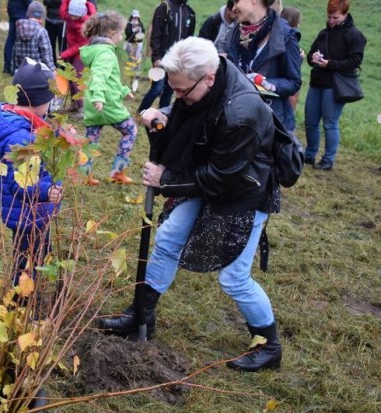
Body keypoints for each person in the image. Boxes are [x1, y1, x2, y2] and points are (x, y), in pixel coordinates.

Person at [99, 37, 283, 372]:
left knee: (234, 278)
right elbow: (192, 110)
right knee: (168, 238)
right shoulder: (208, 79)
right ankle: (141, 315)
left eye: (182, 91)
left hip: (243, 190)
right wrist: (165, 111)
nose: (178, 96)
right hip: (209, 173)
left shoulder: (241, 113)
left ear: (208, 78)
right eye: (173, 88)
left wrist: (165, 180)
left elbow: (222, 177)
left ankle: (268, 345)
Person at [0, 58, 63, 288]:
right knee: (26, 262)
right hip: (27, 213)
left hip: (32, 211)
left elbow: (43, 134)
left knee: (39, 251)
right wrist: (48, 191)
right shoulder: (21, 138)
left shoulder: (22, 123)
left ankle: (33, 288)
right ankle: (19, 305)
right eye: (49, 101)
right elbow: (20, 184)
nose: (50, 107)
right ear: (38, 101)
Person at [304, 0, 366, 170]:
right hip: (317, 82)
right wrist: (314, 59)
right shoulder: (324, 33)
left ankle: (328, 160)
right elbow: (310, 55)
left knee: (330, 123)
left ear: (345, 14)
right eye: (329, 17)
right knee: (310, 121)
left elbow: (355, 61)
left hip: (336, 85)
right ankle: (309, 155)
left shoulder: (354, 35)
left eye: (335, 17)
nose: (331, 20)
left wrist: (329, 64)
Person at [224, 0, 302, 132]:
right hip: (236, 118)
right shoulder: (235, 33)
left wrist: (266, 84)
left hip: (269, 123)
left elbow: (294, 82)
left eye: (237, 1)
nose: (234, 7)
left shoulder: (285, 35)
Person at [80, 11, 138, 185]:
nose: (122, 36)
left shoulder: (96, 51)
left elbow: (109, 80)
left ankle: (85, 176)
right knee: (130, 131)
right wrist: (100, 97)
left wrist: (123, 89)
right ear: (112, 34)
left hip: (92, 104)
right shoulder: (106, 53)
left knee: (91, 141)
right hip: (106, 105)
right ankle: (118, 172)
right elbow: (99, 76)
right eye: (121, 33)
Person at [137, 0, 196, 113]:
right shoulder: (165, 7)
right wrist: (156, 57)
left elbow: (189, 40)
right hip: (161, 58)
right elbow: (155, 34)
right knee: (157, 89)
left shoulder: (190, 12)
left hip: (177, 62)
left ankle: (162, 114)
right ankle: (141, 113)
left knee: (169, 90)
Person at [58, 0, 97, 115]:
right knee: (70, 77)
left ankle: (83, 108)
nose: (72, 17)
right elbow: (63, 13)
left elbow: (80, 45)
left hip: (81, 53)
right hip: (71, 50)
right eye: (71, 14)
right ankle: (74, 103)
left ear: (81, 13)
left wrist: (64, 54)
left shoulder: (85, 25)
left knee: (78, 79)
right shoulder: (70, 16)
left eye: (75, 16)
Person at [14, 2, 56, 72]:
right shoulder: (42, 31)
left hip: (22, 69)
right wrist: (52, 69)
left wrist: (18, 67)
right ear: (41, 17)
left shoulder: (20, 29)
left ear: (28, 14)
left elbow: (16, 51)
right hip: (38, 72)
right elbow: (46, 55)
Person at [280, 6, 303, 111]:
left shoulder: (276, 33)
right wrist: (300, 57)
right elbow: (292, 67)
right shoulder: (291, 38)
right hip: (286, 83)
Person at [4, 0, 33, 75]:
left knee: (11, 38)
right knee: (19, 41)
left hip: (12, 8)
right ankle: (15, 68)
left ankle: (7, 67)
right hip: (21, 10)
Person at [124, 10, 146, 93]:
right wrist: (133, 30)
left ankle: (135, 78)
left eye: (137, 17)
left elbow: (143, 33)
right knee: (132, 60)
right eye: (134, 17)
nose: (135, 18)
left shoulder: (140, 25)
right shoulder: (129, 25)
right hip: (130, 45)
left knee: (137, 62)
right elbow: (127, 33)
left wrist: (140, 31)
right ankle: (129, 79)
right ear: (132, 17)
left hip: (138, 45)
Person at [43, 0, 65, 65]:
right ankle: (52, 63)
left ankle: (63, 65)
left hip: (62, 20)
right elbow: (46, 2)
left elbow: (64, 2)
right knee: (50, 43)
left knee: (62, 44)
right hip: (49, 19)